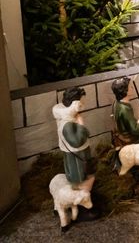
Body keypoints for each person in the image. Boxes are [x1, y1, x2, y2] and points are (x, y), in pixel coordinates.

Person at [52, 87, 100, 220]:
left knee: (85, 178)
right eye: (81, 102)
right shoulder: (67, 124)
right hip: (76, 161)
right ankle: (82, 209)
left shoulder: (70, 119)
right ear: (75, 104)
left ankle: (84, 201)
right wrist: (81, 125)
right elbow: (76, 142)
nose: (83, 105)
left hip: (80, 157)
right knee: (80, 181)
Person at [111, 76, 139, 147]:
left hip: (122, 137)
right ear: (126, 91)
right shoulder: (124, 109)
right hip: (130, 142)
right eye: (130, 87)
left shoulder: (117, 103)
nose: (132, 88)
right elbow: (136, 130)